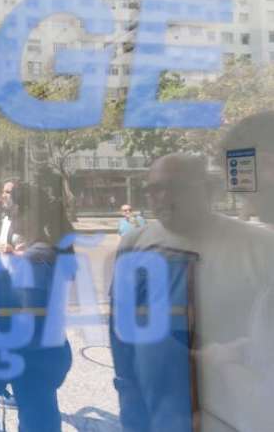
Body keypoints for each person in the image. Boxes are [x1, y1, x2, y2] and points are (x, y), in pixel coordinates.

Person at [109, 153, 274, 432]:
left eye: (172, 188)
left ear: (209, 189)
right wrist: (129, 397)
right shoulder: (134, 244)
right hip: (159, 409)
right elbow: (121, 330)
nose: (158, 197)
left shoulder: (260, 247)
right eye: (152, 189)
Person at [0, 183, 75, 432]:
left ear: (24, 212)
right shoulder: (48, 252)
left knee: (35, 419)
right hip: (50, 351)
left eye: (12, 211)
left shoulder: (33, 259)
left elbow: (25, 320)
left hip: (32, 356)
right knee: (43, 414)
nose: (10, 217)